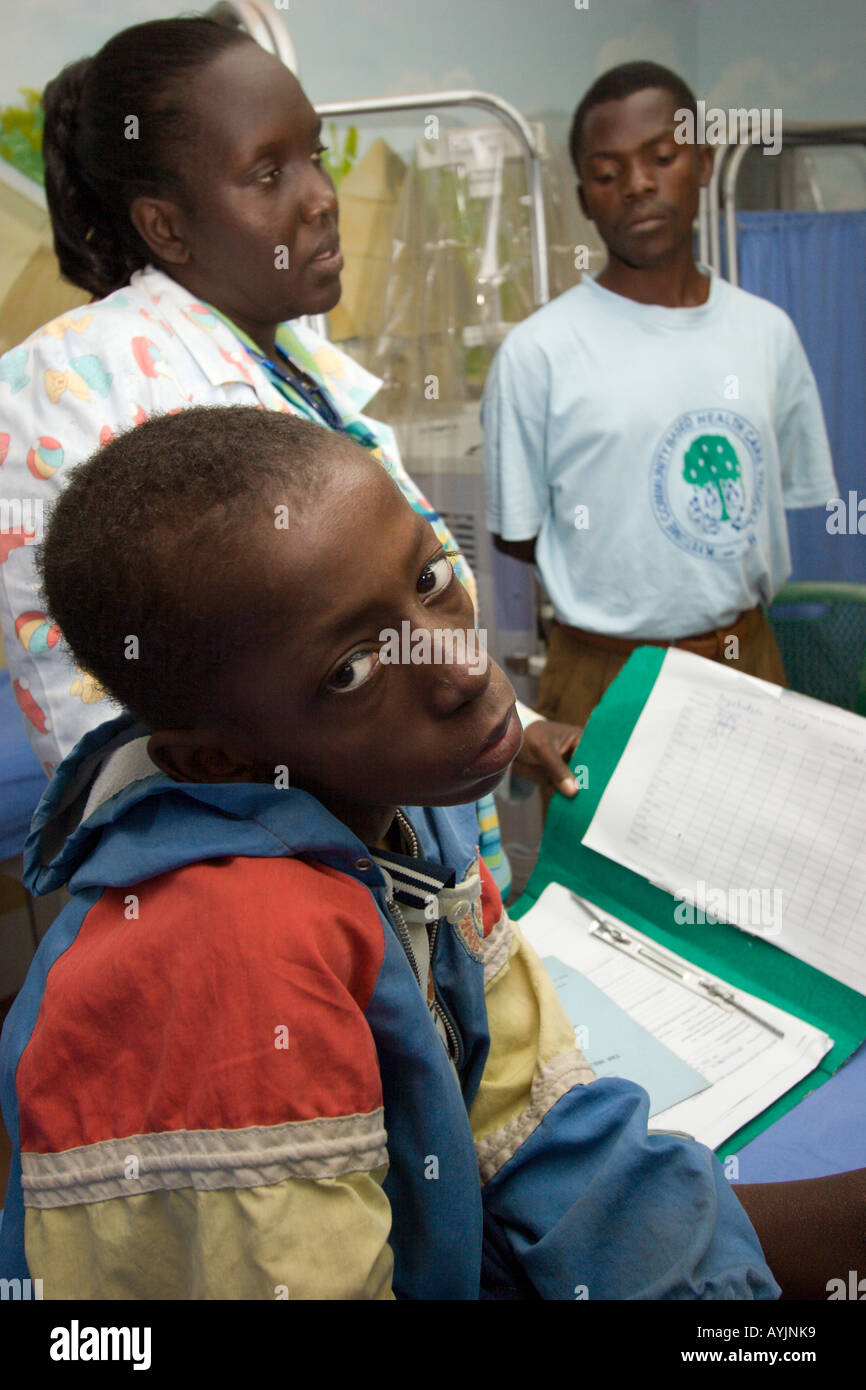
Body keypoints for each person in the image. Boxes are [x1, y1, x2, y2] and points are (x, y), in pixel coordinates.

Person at [0, 405, 782, 1300]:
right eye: (351, 671)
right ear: (218, 759)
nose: (460, 669)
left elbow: (534, 1123)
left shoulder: (407, 814)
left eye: (431, 575)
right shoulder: (228, 962)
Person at [0, 17, 581, 895]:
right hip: (290, 910)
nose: (319, 197)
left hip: (416, 897)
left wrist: (515, 721)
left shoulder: (297, 365)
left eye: (314, 155)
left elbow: (372, 608)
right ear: (165, 225)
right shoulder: (67, 386)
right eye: (269, 174)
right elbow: (115, 734)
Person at [482, 61, 838, 734]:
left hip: (746, 658)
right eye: (608, 173)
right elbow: (518, 534)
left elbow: (772, 498)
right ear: (585, 197)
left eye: (662, 158)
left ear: (703, 163)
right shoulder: (539, 354)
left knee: (748, 840)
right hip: (600, 673)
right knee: (601, 843)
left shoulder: (767, 333)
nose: (639, 185)